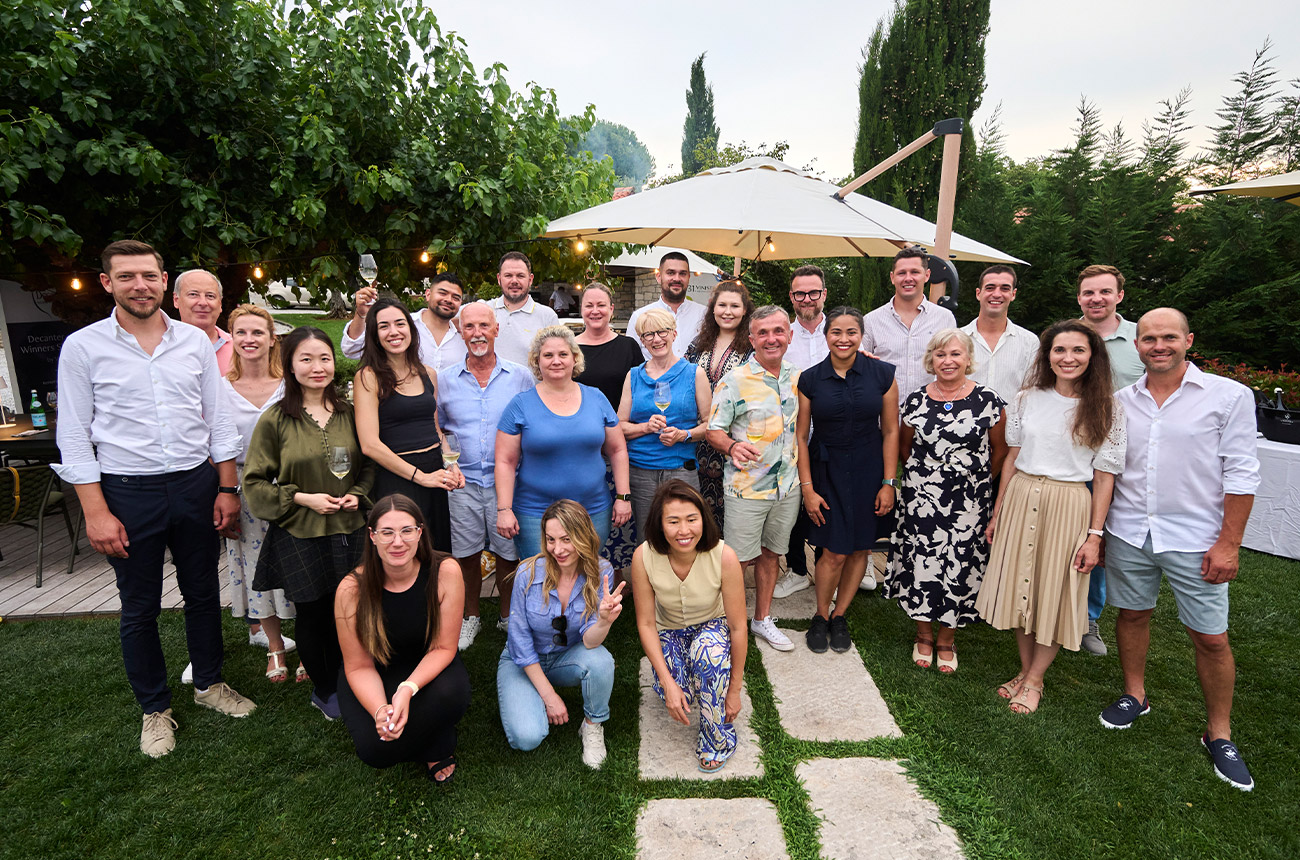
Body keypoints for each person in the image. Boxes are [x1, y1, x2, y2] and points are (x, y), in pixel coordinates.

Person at [55, 240, 254, 758]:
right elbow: (75, 437)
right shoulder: (83, 347)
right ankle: (154, 709)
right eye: (126, 277)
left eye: (148, 275)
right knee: (139, 608)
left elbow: (218, 421)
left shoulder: (193, 342)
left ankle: (209, 685)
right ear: (107, 283)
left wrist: (227, 488)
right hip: (126, 490)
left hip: (194, 484)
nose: (139, 286)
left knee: (203, 594)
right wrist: (95, 511)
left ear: (164, 281)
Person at [1099, 308, 1260, 792]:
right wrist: (1101, 530)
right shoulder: (1118, 401)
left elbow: (1242, 472)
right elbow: (1109, 467)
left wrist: (1229, 543)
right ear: (1137, 345)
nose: (1158, 345)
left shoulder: (1228, 396)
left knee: (1211, 637)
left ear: (1189, 340)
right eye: (1149, 338)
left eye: (1169, 337)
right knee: (1131, 615)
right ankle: (1134, 694)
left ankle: (1220, 733)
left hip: (1196, 538)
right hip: (1130, 531)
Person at [975, 321, 1126, 715]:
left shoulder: (1108, 406)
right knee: (1022, 587)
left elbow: (1104, 476)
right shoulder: (1027, 397)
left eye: (1078, 350)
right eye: (1060, 350)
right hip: (1023, 495)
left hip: (1068, 503)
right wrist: (998, 512)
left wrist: (1095, 535)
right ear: (1048, 355)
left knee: (1055, 592)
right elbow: (1011, 457)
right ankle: (1024, 673)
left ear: (1093, 356)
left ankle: (1037, 679)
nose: (1068, 358)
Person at [244, 326, 375, 721]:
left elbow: (368, 465)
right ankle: (324, 689)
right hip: (301, 532)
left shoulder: (350, 414)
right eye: (306, 359)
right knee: (315, 614)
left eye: (324, 358)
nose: (317, 367)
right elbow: (253, 483)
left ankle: (352, 678)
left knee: (353, 609)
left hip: (350, 530)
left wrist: (359, 493)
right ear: (290, 365)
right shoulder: (275, 420)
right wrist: (301, 497)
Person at [886, 329, 1006, 670]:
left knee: (958, 563)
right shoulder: (916, 399)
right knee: (922, 561)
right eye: (940, 355)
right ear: (931, 361)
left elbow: (999, 451)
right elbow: (905, 448)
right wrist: (927, 481)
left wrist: (976, 481)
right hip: (921, 497)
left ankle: (947, 638)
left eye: (955, 354)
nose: (948, 361)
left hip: (968, 501)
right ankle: (923, 634)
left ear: (968, 358)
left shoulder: (988, 401)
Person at [335, 495, 470, 784]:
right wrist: (381, 710)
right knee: (375, 751)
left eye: (407, 531)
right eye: (387, 532)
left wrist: (407, 689)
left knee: (453, 694)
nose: (398, 542)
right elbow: (358, 666)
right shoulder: (351, 590)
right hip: (374, 672)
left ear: (420, 533)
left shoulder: (445, 571)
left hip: (427, 665)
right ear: (372, 537)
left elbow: (445, 647)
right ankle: (431, 732)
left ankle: (435, 742)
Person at [797, 307, 900, 653]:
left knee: (860, 546)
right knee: (835, 551)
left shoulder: (882, 374)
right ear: (826, 336)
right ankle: (820, 615)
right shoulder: (810, 378)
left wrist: (889, 482)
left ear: (861, 335)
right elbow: (800, 436)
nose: (843, 339)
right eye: (836, 332)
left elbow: (890, 430)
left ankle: (840, 615)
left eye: (851, 332)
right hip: (827, 470)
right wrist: (808, 489)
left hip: (870, 469)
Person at [437, 301, 536, 650]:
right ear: (460, 332)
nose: (477, 333)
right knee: (465, 554)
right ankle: (471, 616)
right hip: (461, 481)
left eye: (484, 326)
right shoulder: (445, 379)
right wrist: (444, 457)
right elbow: (436, 424)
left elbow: (530, 422)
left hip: (506, 481)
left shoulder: (520, 375)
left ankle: (507, 615)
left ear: (496, 330)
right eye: (469, 327)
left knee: (508, 552)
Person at [704, 306, 802, 652]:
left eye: (778, 331)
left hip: (787, 487)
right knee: (737, 561)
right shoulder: (735, 379)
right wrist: (732, 445)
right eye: (763, 333)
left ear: (790, 335)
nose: (771, 338)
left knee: (772, 555)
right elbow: (714, 431)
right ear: (752, 339)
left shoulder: (798, 376)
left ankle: (761, 619)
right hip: (746, 488)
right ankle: (722, 623)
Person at [497, 500, 622, 768]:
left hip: (568, 656)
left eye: (567, 539)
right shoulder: (527, 573)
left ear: (583, 535)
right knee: (527, 738)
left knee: (601, 660)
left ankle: (592, 724)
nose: (558, 549)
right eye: (551, 539)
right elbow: (518, 642)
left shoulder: (602, 573)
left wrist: (603, 621)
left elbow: (590, 642)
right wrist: (550, 697)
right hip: (523, 662)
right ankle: (532, 699)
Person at [495, 325, 632, 559]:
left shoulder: (597, 398)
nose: (556, 361)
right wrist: (504, 509)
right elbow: (505, 461)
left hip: (593, 509)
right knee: (540, 581)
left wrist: (623, 496)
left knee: (587, 577)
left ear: (574, 358)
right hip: (535, 513)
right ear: (537, 361)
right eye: (548, 355)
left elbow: (618, 450)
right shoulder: (520, 405)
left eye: (563, 354)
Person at [219, 304, 300, 683]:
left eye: (257, 333)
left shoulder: (291, 385)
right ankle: (275, 647)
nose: (249, 340)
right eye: (241, 333)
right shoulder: (220, 387)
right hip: (244, 491)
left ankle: (309, 648)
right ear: (232, 339)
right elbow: (215, 445)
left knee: (299, 564)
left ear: (272, 339)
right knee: (257, 569)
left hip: (291, 489)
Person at [354, 297, 463, 553]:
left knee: (435, 552)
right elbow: (369, 444)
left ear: (410, 329)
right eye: (384, 326)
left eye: (399, 323)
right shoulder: (368, 377)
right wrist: (420, 477)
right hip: (397, 480)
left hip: (434, 477)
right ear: (374, 334)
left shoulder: (427, 374)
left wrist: (452, 465)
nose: (394, 332)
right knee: (402, 554)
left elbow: (435, 429)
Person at [1075, 264, 1145, 656]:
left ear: (1119, 295)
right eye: (1088, 293)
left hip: (1123, 459)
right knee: (1064, 532)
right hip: (1071, 456)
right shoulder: (1067, 336)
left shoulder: (1141, 338)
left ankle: (1087, 618)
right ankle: (1048, 608)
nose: (1096, 299)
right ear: (1079, 297)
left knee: (1099, 538)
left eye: (1104, 292)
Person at [618, 308, 712, 538]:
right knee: (647, 535)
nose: (656, 339)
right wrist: (645, 427)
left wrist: (684, 435)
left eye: (662, 332)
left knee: (683, 534)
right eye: (648, 335)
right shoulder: (633, 375)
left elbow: (710, 425)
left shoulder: (694, 373)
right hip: (640, 471)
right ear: (641, 340)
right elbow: (618, 425)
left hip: (681, 470)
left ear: (674, 334)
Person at [573, 282, 644, 573]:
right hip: (579, 446)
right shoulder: (570, 348)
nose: (595, 310)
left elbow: (640, 393)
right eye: (589, 305)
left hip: (619, 444)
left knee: (617, 515)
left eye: (601, 305)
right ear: (581, 310)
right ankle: (580, 574)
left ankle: (611, 579)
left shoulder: (628, 347)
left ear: (612, 309)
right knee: (580, 515)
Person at [775, 265, 831, 600]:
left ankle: (830, 565)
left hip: (833, 436)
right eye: (799, 293)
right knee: (794, 508)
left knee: (832, 503)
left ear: (824, 294)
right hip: (791, 436)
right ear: (792, 297)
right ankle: (796, 569)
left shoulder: (841, 330)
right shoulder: (784, 336)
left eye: (813, 292)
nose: (806, 299)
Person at [685, 281, 754, 537]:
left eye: (734, 306)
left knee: (732, 509)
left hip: (734, 439)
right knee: (698, 506)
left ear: (745, 310)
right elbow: (682, 377)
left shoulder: (753, 345)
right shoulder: (699, 343)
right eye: (721, 305)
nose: (728, 311)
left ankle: (729, 567)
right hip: (699, 437)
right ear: (712, 309)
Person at [861, 247, 958, 401]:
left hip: (930, 415)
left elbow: (953, 366)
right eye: (901, 273)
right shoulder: (871, 321)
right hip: (883, 416)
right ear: (892, 278)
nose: (908, 278)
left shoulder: (945, 319)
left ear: (927, 275)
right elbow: (860, 367)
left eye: (914, 272)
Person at [343, 272, 467, 373]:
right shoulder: (402, 326)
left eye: (455, 298)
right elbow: (352, 350)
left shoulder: (465, 336)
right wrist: (361, 314)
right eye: (443, 293)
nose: (448, 300)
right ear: (428, 294)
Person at [960, 266, 1037, 403]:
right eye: (990, 288)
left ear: (1013, 294)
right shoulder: (957, 339)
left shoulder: (1030, 342)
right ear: (978, 293)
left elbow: (1032, 392)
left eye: (1004, 288)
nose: (996, 294)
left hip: (1011, 423)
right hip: (963, 422)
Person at [627, 252, 708, 360]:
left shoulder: (704, 314)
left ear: (689, 277)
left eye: (682, 274)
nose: (677, 278)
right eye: (671, 273)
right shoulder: (639, 316)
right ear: (659, 276)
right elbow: (630, 358)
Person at [488, 251, 559, 366]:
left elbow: (556, 359)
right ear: (499, 278)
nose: (514, 281)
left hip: (532, 384)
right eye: (508, 275)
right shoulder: (484, 309)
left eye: (520, 276)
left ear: (530, 279)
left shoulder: (547, 316)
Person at [173, 268, 233, 375]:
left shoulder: (238, 349)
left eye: (210, 296)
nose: (203, 302)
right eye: (193, 294)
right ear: (176, 300)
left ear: (220, 304)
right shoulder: (160, 348)